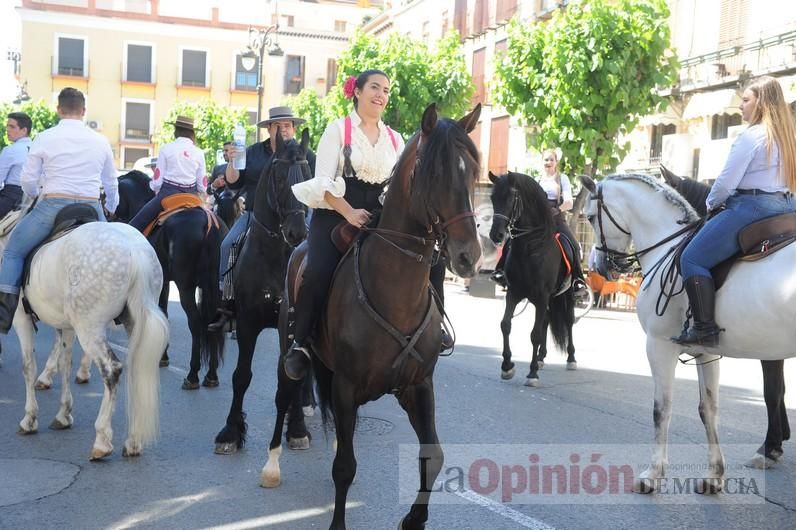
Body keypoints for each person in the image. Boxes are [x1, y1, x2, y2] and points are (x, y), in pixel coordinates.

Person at [282, 69, 408, 380]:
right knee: (318, 270)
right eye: (375, 88)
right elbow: (323, 183)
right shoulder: (337, 131)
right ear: (358, 92)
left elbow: (400, 186)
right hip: (336, 212)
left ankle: (426, 331)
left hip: (380, 217)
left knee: (420, 259)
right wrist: (350, 212)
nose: (381, 95)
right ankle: (301, 344)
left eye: (386, 90)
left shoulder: (395, 138)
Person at [674, 76, 796, 346]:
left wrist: (710, 204)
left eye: (745, 100)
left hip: (754, 207)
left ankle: (704, 328)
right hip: (790, 208)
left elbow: (725, 184)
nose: (741, 106)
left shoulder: (751, 137)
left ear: (760, 103)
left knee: (691, 258)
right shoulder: (790, 137)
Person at [0, 87, 118, 333]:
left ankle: (4, 312)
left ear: (58, 110)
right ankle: (121, 310)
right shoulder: (100, 140)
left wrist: (34, 196)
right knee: (114, 257)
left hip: (54, 205)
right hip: (91, 207)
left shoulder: (45, 137)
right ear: (83, 111)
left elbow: (28, 180)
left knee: (12, 251)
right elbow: (111, 183)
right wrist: (110, 207)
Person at [207, 106, 315, 331]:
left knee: (317, 252)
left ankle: (315, 307)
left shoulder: (307, 154)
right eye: (278, 125)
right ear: (269, 129)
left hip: (296, 216)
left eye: (287, 125)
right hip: (256, 216)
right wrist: (232, 162)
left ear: (294, 129)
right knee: (228, 246)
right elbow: (234, 183)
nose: (283, 129)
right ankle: (226, 304)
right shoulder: (253, 152)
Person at [490, 149, 586, 294]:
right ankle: (501, 271)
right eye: (546, 160)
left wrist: (558, 209)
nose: (548, 162)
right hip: (537, 219)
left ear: (556, 162)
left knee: (572, 244)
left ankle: (578, 280)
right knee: (512, 239)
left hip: (556, 218)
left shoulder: (562, 178)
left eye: (551, 160)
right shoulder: (537, 179)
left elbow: (569, 202)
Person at [129, 116, 205, 232]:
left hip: (168, 194)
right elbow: (202, 186)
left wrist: (154, 188)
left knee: (134, 226)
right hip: (192, 197)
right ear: (192, 133)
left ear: (176, 131)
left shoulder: (166, 148)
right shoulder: (199, 153)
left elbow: (157, 182)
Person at [0, 112, 33, 218]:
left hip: (11, 197)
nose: (8, 130)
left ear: (24, 130)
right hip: (34, 198)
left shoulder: (10, 150)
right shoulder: (38, 148)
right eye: (7, 126)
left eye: (12, 127)